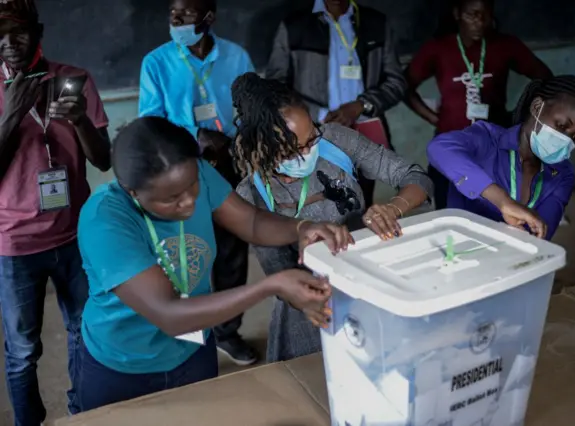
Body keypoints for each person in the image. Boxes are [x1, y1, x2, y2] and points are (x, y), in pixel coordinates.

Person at [75, 116, 351, 411]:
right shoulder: (105, 219)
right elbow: (168, 314)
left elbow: (252, 222)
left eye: (192, 185)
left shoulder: (193, 173)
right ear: (133, 192)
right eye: (171, 199)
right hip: (124, 366)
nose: (189, 202)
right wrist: (271, 285)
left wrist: (301, 227)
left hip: (194, 349)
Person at [232, 73, 432, 362]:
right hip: (309, 307)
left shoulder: (336, 140)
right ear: (263, 145)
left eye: (311, 137)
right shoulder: (252, 194)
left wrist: (394, 207)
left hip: (366, 280)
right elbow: (279, 272)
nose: (309, 151)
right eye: (294, 149)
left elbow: (415, 176)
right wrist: (308, 303)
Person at [0, 1, 110, 424]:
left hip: (74, 234)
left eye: (19, 31)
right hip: (15, 243)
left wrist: (80, 121)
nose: (9, 43)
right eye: (0, 34)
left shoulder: (75, 79)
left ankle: (82, 412)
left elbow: (103, 160)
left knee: (85, 333)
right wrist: (11, 113)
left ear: (39, 30)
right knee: (23, 351)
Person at [138, 0, 257, 365]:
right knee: (188, 253)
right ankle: (189, 336)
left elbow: (253, 109)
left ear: (209, 18)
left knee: (233, 254)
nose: (175, 20)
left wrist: (236, 142)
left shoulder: (236, 57)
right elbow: (150, 123)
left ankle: (227, 333)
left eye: (185, 14)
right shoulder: (156, 62)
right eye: (172, 13)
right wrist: (195, 135)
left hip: (232, 166)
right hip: (182, 171)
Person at [405, 0, 553, 210]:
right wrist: (435, 118)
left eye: (485, 15)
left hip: (494, 142)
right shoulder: (438, 48)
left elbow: (544, 77)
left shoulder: (505, 45)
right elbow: (405, 86)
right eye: (472, 15)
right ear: (457, 14)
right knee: (448, 205)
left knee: (495, 205)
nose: (480, 22)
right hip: (451, 142)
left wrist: (522, 116)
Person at [266, 0, 407, 209]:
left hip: (363, 132)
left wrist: (361, 105)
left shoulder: (375, 23)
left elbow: (396, 83)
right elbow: (275, 86)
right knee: (317, 205)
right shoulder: (294, 25)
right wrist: (314, 114)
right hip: (312, 135)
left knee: (360, 203)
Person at [427, 75, 575, 241]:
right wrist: (502, 200)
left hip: (516, 262)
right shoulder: (487, 140)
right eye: (561, 126)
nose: (565, 140)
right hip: (461, 256)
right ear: (537, 107)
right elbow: (438, 148)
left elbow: (540, 236)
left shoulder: (561, 173)